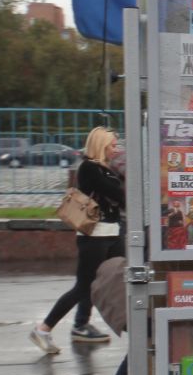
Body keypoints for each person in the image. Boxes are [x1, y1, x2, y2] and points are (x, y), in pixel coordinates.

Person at [31, 128, 126, 354]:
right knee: (84, 286)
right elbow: (119, 195)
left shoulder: (106, 168)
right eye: (112, 145)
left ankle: (81, 325)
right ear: (101, 146)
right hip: (93, 236)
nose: (116, 149)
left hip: (112, 232)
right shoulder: (90, 168)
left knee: (115, 279)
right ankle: (43, 329)